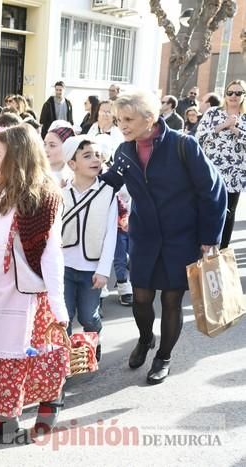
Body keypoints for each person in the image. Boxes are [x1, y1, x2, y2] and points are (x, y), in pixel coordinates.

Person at [101, 90, 226, 384]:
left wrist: (209, 237)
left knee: (171, 300)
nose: (123, 125)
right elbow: (109, 184)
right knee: (141, 299)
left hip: (181, 238)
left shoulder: (184, 145)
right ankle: (146, 339)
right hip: (144, 237)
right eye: (119, 120)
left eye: (129, 119)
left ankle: (164, 356)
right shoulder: (124, 151)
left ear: (150, 117)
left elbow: (213, 192)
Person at [0, 125, 68, 440]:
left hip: (27, 288)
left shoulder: (44, 194)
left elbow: (52, 253)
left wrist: (58, 304)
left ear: (18, 156)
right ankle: (6, 419)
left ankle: (49, 406)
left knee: (37, 353)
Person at [60, 135, 118, 360]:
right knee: (63, 317)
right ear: (72, 164)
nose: (95, 159)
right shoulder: (62, 194)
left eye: (97, 155)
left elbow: (111, 234)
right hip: (64, 266)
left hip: (92, 269)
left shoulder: (108, 193)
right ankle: (63, 362)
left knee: (88, 317)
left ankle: (94, 342)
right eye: (87, 156)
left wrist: (104, 270)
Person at [195, 79, 246, 249]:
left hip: (235, 174)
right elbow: (199, 137)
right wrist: (223, 125)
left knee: (228, 214)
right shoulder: (213, 113)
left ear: (244, 96)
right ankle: (201, 249)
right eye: (230, 92)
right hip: (211, 172)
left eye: (238, 93)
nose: (233, 96)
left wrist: (236, 130)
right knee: (205, 210)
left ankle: (222, 253)